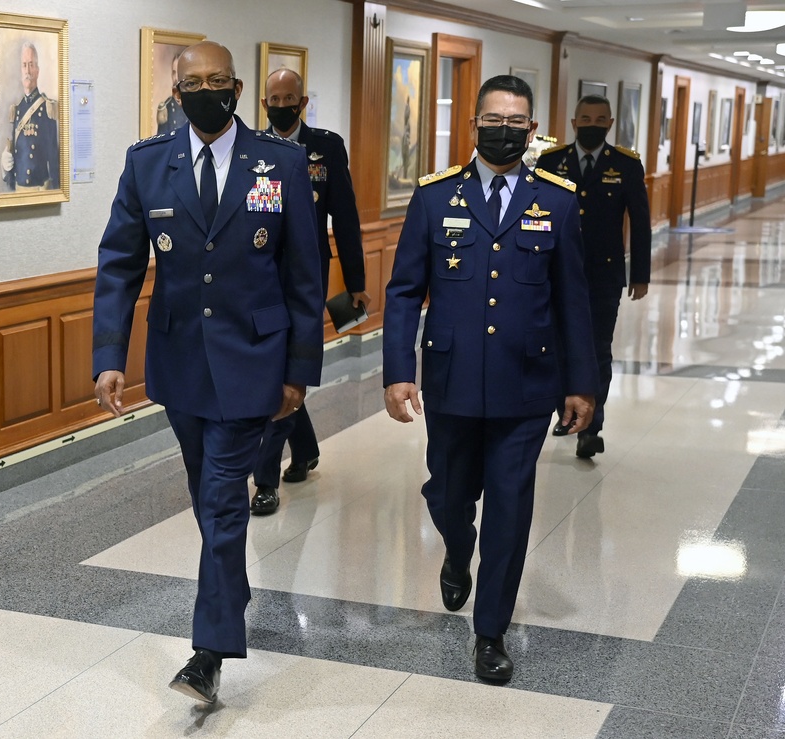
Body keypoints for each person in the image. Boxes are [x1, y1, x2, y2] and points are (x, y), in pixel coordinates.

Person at [92, 41, 323, 704]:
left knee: (223, 500)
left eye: (217, 81)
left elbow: (305, 277)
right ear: (174, 87)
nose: (204, 91)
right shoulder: (148, 165)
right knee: (208, 496)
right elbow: (119, 265)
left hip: (254, 361)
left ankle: (208, 652)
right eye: (192, 82)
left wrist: (299, 372)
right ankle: (233, 589)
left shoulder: (278, 162)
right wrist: (109, 356)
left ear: (238, 86)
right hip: (180, 366)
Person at [382, 75, 598, 683]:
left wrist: (580, 384)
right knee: (449, 494)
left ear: (532, 132)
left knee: (510, 504)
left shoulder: (556, 200)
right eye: (492, 120)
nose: (503, 130)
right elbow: (402, 293)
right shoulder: (434, 197)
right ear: (472, 127)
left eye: (516, 122)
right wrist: (399, 372)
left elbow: (572, 300)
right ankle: (456, 546)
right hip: (451, 381)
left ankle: (491, 630)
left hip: (527, 383)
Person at [249, 68, 370, 516]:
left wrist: (354, 284)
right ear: (264, 104)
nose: (282, 106)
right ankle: (305, 449)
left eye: (290, 98)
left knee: (287, 369)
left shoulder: (326, 146)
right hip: (262, 279)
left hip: (308, 279)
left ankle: (265, 480)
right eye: (273, 99)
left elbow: (347, 217)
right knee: (273, 372)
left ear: (303, 102)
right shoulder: (255, 150)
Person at [535, 94, 651, 458]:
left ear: (610, 124)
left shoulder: (626, 165)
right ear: (573, 123)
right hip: (555, 274)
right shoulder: (551, 161)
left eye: (600, 119)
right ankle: (565, 416)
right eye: (585, 118)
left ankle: (592, 426)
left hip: (603, 274)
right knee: (556, 346)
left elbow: (642, 222)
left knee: (598, 349)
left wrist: (640, 274)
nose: (592, 125)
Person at [1, 41, 60, 191]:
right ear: (21, 71)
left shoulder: (47, 108)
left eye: (31, 65)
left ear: (38, 71)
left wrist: (55, 190)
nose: (27, 70)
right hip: (19, 189)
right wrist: (4, 165)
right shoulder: (17, 109)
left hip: (40, 189)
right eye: (24, 65)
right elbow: (13, 151)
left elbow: (54, 158)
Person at [156, 53, 188, 135]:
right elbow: (161, 139)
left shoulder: (195, 104)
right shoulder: (168, 106)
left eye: (179, 72)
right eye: (174, 73)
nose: (176, 78)